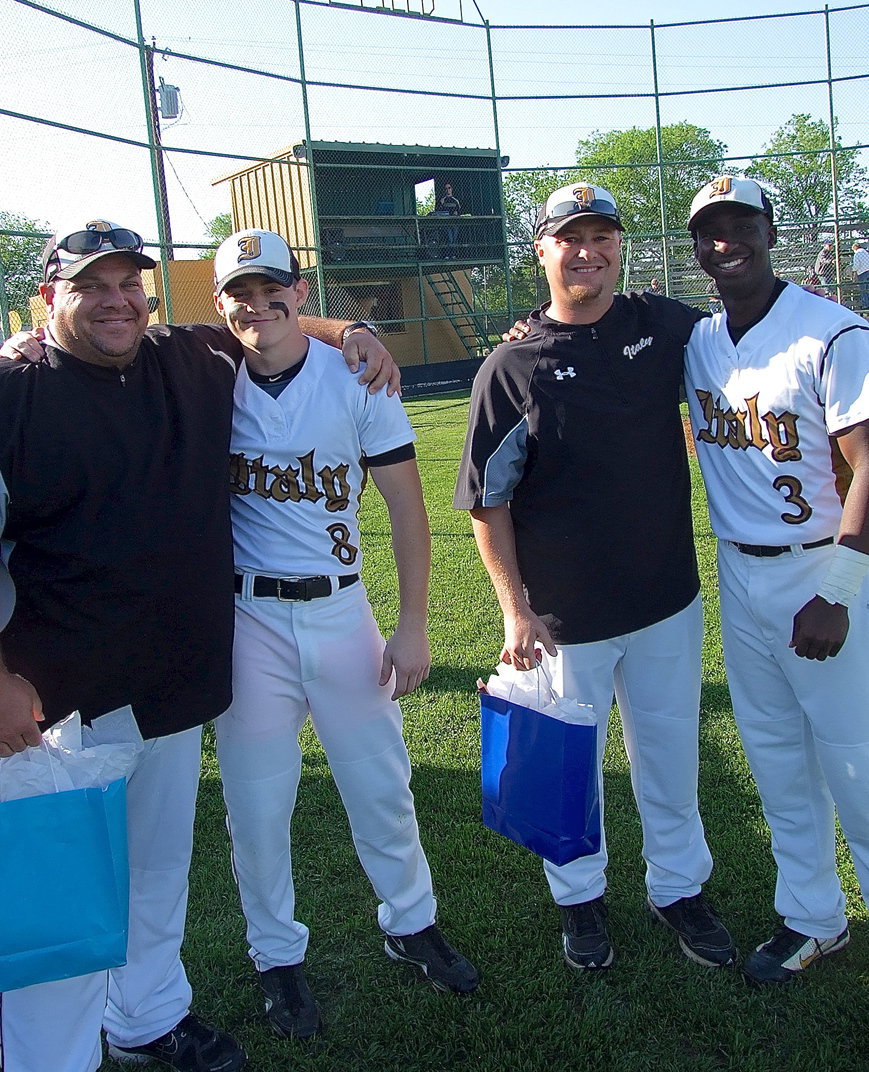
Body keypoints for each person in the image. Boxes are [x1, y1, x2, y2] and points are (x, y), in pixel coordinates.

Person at [0, 217, 398, 1072]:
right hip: (53, 697)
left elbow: (267, 321)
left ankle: (146, 1019)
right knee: (60, 894)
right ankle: (49, 1058)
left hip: (172, 673)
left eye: (126, 284)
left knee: (156, 868)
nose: (115, 301)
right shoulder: (12, 387)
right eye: (89, 286)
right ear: (45, 299)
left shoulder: (187, 355)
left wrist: (350, 328)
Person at [453, 182, 735, 973]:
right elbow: (486, 501)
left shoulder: (664, 324)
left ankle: (678, 888)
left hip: (664, 602)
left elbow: (750, 335)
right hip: (562, 617)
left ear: (618, 246)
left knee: (670, 761)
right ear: (540, 251)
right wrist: (513, 611)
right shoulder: (511, 366)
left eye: (600, 235)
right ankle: (579, 900)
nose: (586, 251)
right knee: (565, 768)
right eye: (568, 238)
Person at [209, 229, 478, 1040]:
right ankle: (275, 958)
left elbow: (405, 508)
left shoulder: (358, 375)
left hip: (339, 609)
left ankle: (410, 922)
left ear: (300, 286)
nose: (259, 305)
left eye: (273, 287)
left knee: (380, 785)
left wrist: (413, 623)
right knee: (256, 807)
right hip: (247, 618)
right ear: (220, 304)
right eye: (240, 293)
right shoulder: (206, 375)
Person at [684, 177, 869, 984]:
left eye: (740, 226)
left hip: (818, 570)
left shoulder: (830, 333)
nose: (726, 242)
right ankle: (812, 918)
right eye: (710, 231)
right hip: (739, 570)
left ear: (769, 230)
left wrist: (839, 590)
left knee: (855, 765)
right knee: (775, 763)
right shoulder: (697, 339)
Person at [439, 183, 460, 254]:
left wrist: (456, 212)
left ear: (451, 189)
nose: (447, 190)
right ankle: (448, 254)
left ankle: (454, 254)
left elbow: (459, 209)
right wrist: (441, 204)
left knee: (454, 239)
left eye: (449, 188)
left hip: (455, 222)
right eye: (446, 188)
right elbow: (439, 211)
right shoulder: (442, 200)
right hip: (447, 223)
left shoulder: (455, 200)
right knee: (449, 239)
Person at [851, 240, 869, 311]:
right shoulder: (866, 252)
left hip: (862, 273)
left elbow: (856, 265)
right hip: (868, 270)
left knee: (863, 289)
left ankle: (865, 305)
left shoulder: (857, 254)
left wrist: (853, 270)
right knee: (867, 288)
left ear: (855, 248)